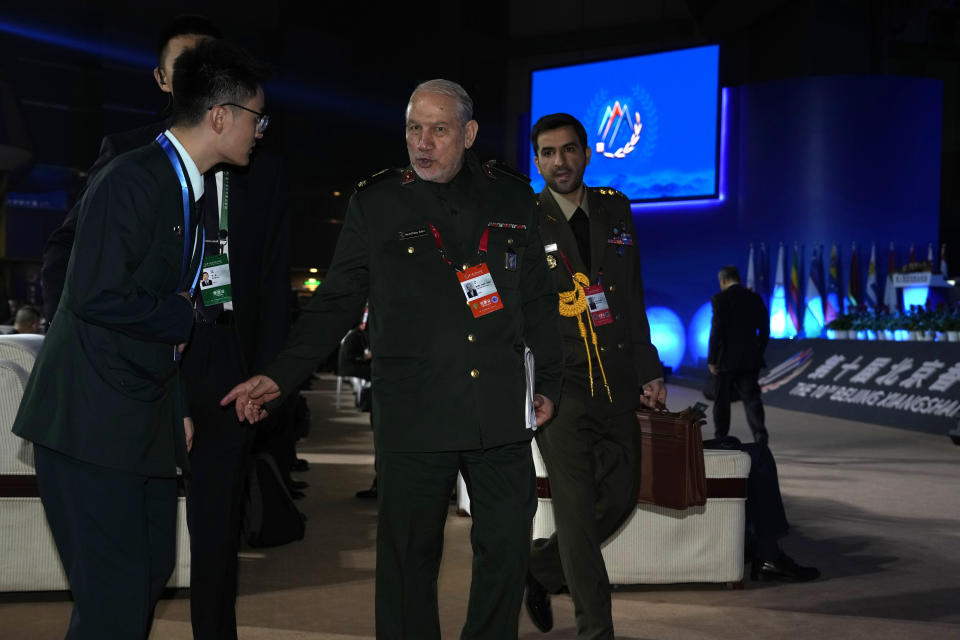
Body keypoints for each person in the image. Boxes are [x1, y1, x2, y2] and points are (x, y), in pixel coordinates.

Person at [222, 79, 563, 639]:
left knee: (504, 547)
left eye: (439, 129)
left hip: (499, 409)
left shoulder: (513, 197)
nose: (422, 142)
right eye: (413, 128)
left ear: (469, 133)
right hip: (415, 412)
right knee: (408, 561)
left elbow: (539, 303)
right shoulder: (376, 203)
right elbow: (335, 304)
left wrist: (548, 381)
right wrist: (279, 376)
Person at [12, 37, 267, 639]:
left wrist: (174, 404)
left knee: (148, 574)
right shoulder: (133, 178)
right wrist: (183, 314)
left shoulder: (189, 186)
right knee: (114, 603)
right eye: (258, 117)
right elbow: (94, 295)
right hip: (92, 424)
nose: (263, 131)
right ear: (221, 116)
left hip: (142, 413)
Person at [523, 113, 666, 639]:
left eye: (568, 150)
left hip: (618, 381)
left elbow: (631, 295)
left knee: (622, 496)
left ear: (586, 153)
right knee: (579, 517)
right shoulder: (525, 218)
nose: (558, 161)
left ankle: (537, 566)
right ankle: (594, 631)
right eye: (547, 152)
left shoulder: (615, 207)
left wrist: (648, 369)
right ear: (537, 159)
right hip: (560, 392)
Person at [40, 14, 222, 325]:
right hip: (143, 341)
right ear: (161, 79)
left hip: (227, 347)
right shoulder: (127, 151)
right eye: (185, 64)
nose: (197, 75)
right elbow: (68, 245)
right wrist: (69, 335)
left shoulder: (254, 162)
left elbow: (270, 275)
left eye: (208, 63)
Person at [703, 435, 820, 581]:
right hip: (673, 450)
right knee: (758, 455)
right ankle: (767, 554)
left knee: (732, 443)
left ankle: (752, 544)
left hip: (673, 445)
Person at [707, 265, 770, 445]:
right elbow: (765, 329)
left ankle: (721, 438)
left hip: (725, 359)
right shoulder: (754, 298)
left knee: (722, 401)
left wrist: (712, 359)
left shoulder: (719, 299)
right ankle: (760, 436)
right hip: (750, 358)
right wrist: (758, 350)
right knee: (752, 399)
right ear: (738, 279)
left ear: (724, 281)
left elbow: (716, 331)